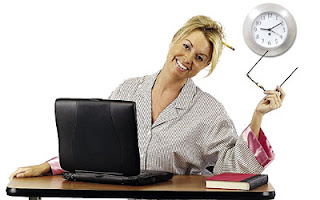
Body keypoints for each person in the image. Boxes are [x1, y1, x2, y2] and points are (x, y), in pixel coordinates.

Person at [10, 15, 285, 180]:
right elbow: (96, 146)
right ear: (174, 40)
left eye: (200, 57)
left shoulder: (209, 111)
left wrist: (257, 116)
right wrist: (47, 167)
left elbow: (230, 168)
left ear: (204, 67)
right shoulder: (128, 90)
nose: (188, 59)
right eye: (186, 46)